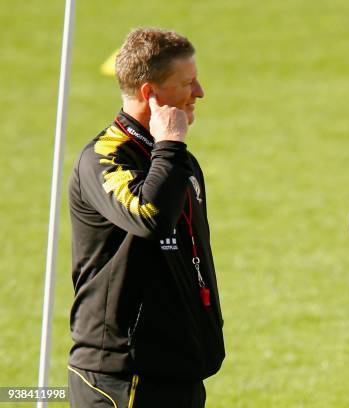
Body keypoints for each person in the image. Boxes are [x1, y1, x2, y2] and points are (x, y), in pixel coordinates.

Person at [68, 27, 224, 407]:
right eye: (188, 83)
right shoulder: (103, 159)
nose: (199, 92)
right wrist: (170, 143)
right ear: (150, 94)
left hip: (178, 369)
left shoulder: (176, 161)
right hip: (123, 378)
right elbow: (150, 217)